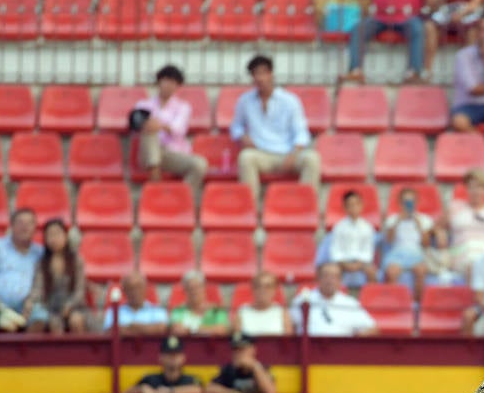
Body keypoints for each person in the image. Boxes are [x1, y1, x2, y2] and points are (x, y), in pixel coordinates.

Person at [231, 56, 321, 199]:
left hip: (287, 153)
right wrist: (242, 136)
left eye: (264, 73)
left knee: (312, 159)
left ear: (271, 74)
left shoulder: (290, 100)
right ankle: (250, 207)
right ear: (252, 77)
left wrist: (294, 153)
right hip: (261, 154)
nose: (260, 78)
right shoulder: (244, 101)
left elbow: (301, 132)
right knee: (245, 157)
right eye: (256, 74)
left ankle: (305, 205)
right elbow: (236, 126)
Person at [343, 0, 430, 84]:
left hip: (407, 17)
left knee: (417, 28)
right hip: (380, 16)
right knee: (359, 28)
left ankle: (414, 72)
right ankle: (355, 71)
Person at [134, 64, 209, 190]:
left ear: (178, 86)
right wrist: (150, 125)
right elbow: (135, 125)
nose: (169, 85)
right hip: (148, 154)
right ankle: (155, 180)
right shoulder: (143, 105)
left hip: (172, 154)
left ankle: (181, 197)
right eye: (166, 80)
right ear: (159, 82)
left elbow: (179, 130)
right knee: (149, 131)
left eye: (173, 82)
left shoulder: (183, 107)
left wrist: (160, 125)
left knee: (200, 164)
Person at [0, 208, 41, 334]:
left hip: (27, 304)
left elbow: (42, 284)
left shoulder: (39, 252)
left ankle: (30, 353)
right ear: (12, 225)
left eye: (29, 223)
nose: (24, 227)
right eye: (20, 222)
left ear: (35, 227)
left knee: (40, 318)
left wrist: (31, 301)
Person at [423, 0, 484, 77]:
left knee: (473, 30)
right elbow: (431, 3)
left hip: (465, 15)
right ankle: (427, 70)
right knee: (429, 27)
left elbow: (476, 1)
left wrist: (461, 13)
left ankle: (468, 71)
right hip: (443, 14)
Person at [27, 219, 90, 334]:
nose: (54, 239)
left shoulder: (76, 260)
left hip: (74, 307)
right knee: (54, 324)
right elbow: (38, 288)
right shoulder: (41, 263)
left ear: (65, 236)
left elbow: (80, 290)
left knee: (76, 320)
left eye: (57, 234)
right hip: (50, 308)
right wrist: (30, 301)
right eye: (50, 235)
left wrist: (69, 305)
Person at [443, 169, 484, 279]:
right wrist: (439, 233)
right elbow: (435, 227)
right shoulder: (455, 207)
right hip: (461, 252)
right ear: (467, 189)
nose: (476, 191)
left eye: (480, 187)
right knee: (473, 265)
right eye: (472, 187)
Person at [292, 262, 380, 337]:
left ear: (340, 280)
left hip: (341, 352)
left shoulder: (350, 303)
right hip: (309, 351)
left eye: (334, 277)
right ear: (318, 278)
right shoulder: (302, 299)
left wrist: (353, 343)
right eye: (326, 276)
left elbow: (372, 328)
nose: (329, 281)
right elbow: (290, 327)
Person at [207, 331, 277, 393]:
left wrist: (255, 367)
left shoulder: (262, 369)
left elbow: (271, 392)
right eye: (235, 349)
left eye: (242, 349)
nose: (237, 354)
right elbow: (210, 388)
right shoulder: (229, 370)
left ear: (253, 349)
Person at [382, 186, 441, 288]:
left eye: (411, 201)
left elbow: (426, 244)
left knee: (421, 271)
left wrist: (420, 227)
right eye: (405, 202)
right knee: (392, 272)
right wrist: (398, 222)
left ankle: (417, 303)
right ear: (400, 203)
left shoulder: (424, 220)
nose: (408, 204)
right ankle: (396, 302)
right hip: (397, 254)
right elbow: (388, 241)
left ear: (416, 202)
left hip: (417, 254)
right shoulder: (392, 220)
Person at [130, 335, 203, 393]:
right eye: (169, 354)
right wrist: (143, 389)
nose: (173, 358)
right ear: (160, 357)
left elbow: (199, 390)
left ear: (183, 357)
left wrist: (170, 392)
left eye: (176, 354)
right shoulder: (151, 379)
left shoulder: (191, 379)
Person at [327, 191, 379, 291]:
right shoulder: (339, 227)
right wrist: (344, 263)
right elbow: (335, 249)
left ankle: (369, 300)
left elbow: (368, 250)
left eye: (356, 204)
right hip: (342, 262)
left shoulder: (367, 227)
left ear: (361, 206)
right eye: (350, 205)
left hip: (362, 262)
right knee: (331, 271)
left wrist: (358, 264)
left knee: (372, 272)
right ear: (345, 208)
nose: (354, 208)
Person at [103, 271, 169, 335]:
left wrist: (131, 328)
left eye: (138, 287)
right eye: (130, 288)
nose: (135, 292)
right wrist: (146, 329)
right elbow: (109, 332)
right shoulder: (113, 312)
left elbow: (162, 329)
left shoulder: (157, 310)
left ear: (145, 288)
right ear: (124, 291)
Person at [170, 270, 231, 337]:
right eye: (190, 288)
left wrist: (191, 330)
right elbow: (178, 330)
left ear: (204, 288)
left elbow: (221, 330)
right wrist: (207, 330)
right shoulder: (179, 310)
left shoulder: (217, 310)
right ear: (184, 290)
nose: (194, 291)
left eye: (198, 287)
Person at [233, 272, 292, 336]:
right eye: (258, 286)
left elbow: (288, 342)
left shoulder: (282, 313)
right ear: (253, 289)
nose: (263, 290)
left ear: (275, 290)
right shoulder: (242, 311)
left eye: (268, 286)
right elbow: (237, 340)